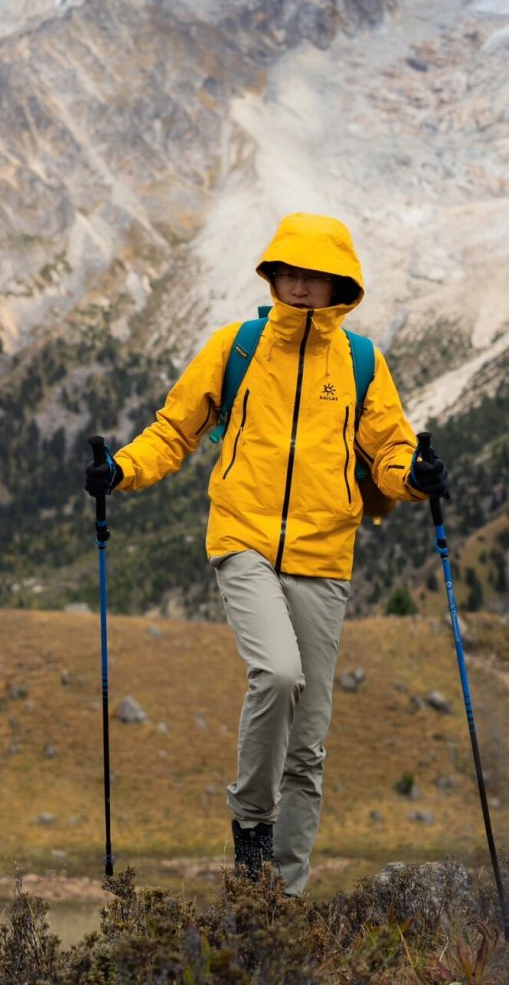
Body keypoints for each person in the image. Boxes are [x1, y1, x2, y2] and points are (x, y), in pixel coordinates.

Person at [84, 212, 449, 896]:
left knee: (307, 745)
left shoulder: (360, 362)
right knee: (278, 674)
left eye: (314, 274)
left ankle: (278, 902)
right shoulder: (237, 347)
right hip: (243, 539)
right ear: (272, 274)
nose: (300, 285)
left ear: (340, 284)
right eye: (289, 271)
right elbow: (174, 430)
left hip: (323, 555)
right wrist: (121, 471)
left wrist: (413, 479)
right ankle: (250, 824)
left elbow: (391, 453)